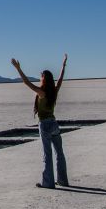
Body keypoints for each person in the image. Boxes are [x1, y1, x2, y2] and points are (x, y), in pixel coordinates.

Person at [11, 54, 69, 189]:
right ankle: (63, 181)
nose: (40, 77)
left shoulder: (41, 93)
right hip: (54, 124)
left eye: (41, 76)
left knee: (47, 154)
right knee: (59, 153)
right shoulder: (53, 91)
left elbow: (27, 83)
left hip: (45, 125)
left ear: (44, 79)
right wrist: (63, 65)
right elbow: (60, 80)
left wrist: (18, 69)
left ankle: (48, 183)